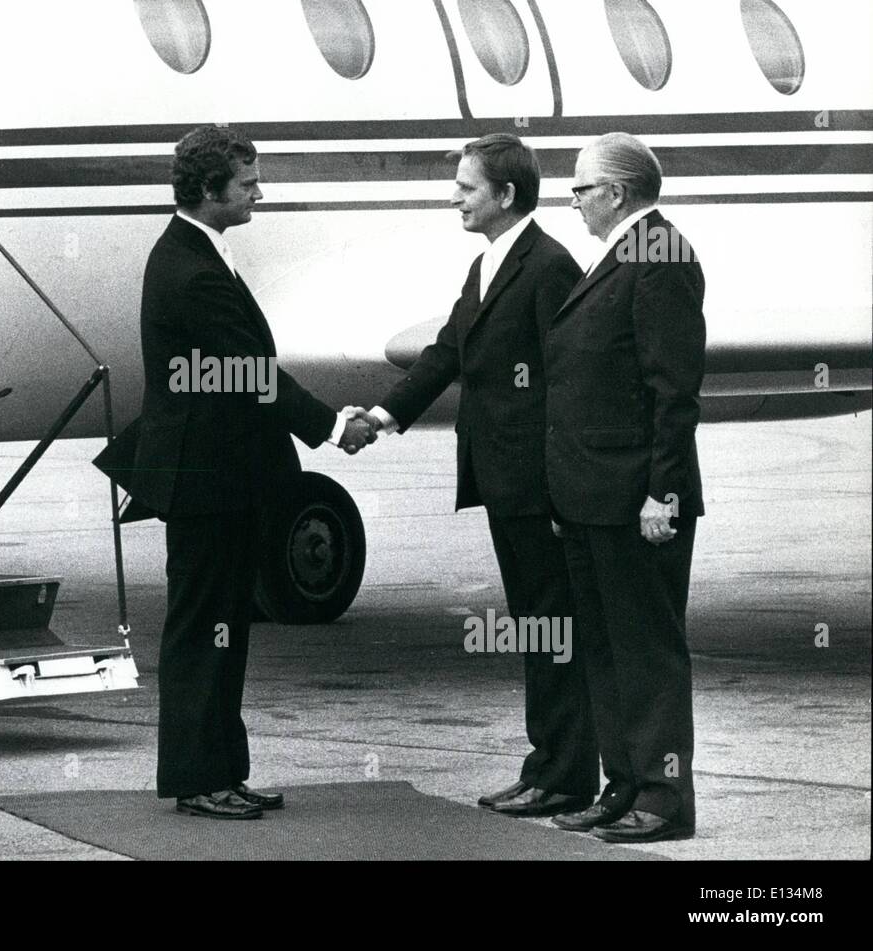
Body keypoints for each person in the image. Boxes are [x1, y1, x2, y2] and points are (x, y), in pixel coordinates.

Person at [96, 125, 374, 820]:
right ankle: (197, 778)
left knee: (225, 624)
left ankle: (223, 769)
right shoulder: (189, 269)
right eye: (247, 183)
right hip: (205, 476)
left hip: (223, 472)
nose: (259, 193)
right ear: (208, 190)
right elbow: (253, 377)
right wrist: (336, 426)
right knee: (201, 628)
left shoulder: (197, 252)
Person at [350, 134, 597, 817]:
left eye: (467, 186)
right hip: (502, 480)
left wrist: (562, 488)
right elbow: (443, 355)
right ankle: (545, 763)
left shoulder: (547, 267)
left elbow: (572, 383)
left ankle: (569, 775)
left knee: (554, 627)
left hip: (539, 487)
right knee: (535, 626)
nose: (455, 196)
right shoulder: (488, 265)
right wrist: (379, 416)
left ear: (506, 194)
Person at [545, 132, 705, 843]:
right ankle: (625, 784)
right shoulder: (617, 255)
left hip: (636, 497)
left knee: (647, 650)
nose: (574, 199)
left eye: (581, 188)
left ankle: (665, 796)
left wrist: (661, 493)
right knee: (605, 648)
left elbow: (673, 391)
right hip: (590, 495)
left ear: (615, 192)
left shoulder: (661, 256)